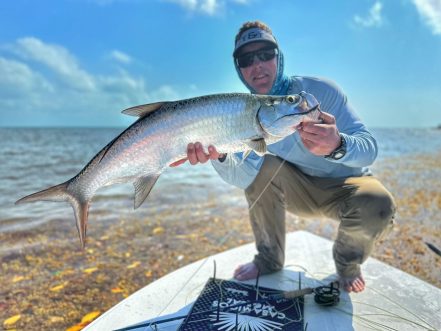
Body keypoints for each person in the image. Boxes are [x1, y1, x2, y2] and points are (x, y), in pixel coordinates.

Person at [170, 21, 396, 293]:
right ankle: (268, 259)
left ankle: (348, 264)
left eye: (266, 54)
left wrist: (337, 143)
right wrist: (218, 157)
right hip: (296, 191)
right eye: (246, 59)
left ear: (280, 57)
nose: (258, 65)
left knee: (378, 202)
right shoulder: (242, 115)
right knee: (259, 167)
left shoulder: (322, 91)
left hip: (344, 187)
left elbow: (369, 149)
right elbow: (243, 178)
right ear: (239, 69)